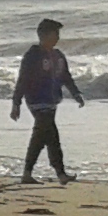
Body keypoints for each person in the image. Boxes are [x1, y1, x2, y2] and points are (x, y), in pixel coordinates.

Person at [11, 16, 85, 184]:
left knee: (47, 136)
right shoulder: (32, 55)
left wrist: (76, 94)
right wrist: (16, 103)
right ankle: (45, 173)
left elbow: (66, 77)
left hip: (51, 101)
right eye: (54, 34)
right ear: (43, 35)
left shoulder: (58, 56)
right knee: (45, 135)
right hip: (36, 100)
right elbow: (22, 80)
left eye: (58, 34)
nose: (57, 37)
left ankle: (52, 173)